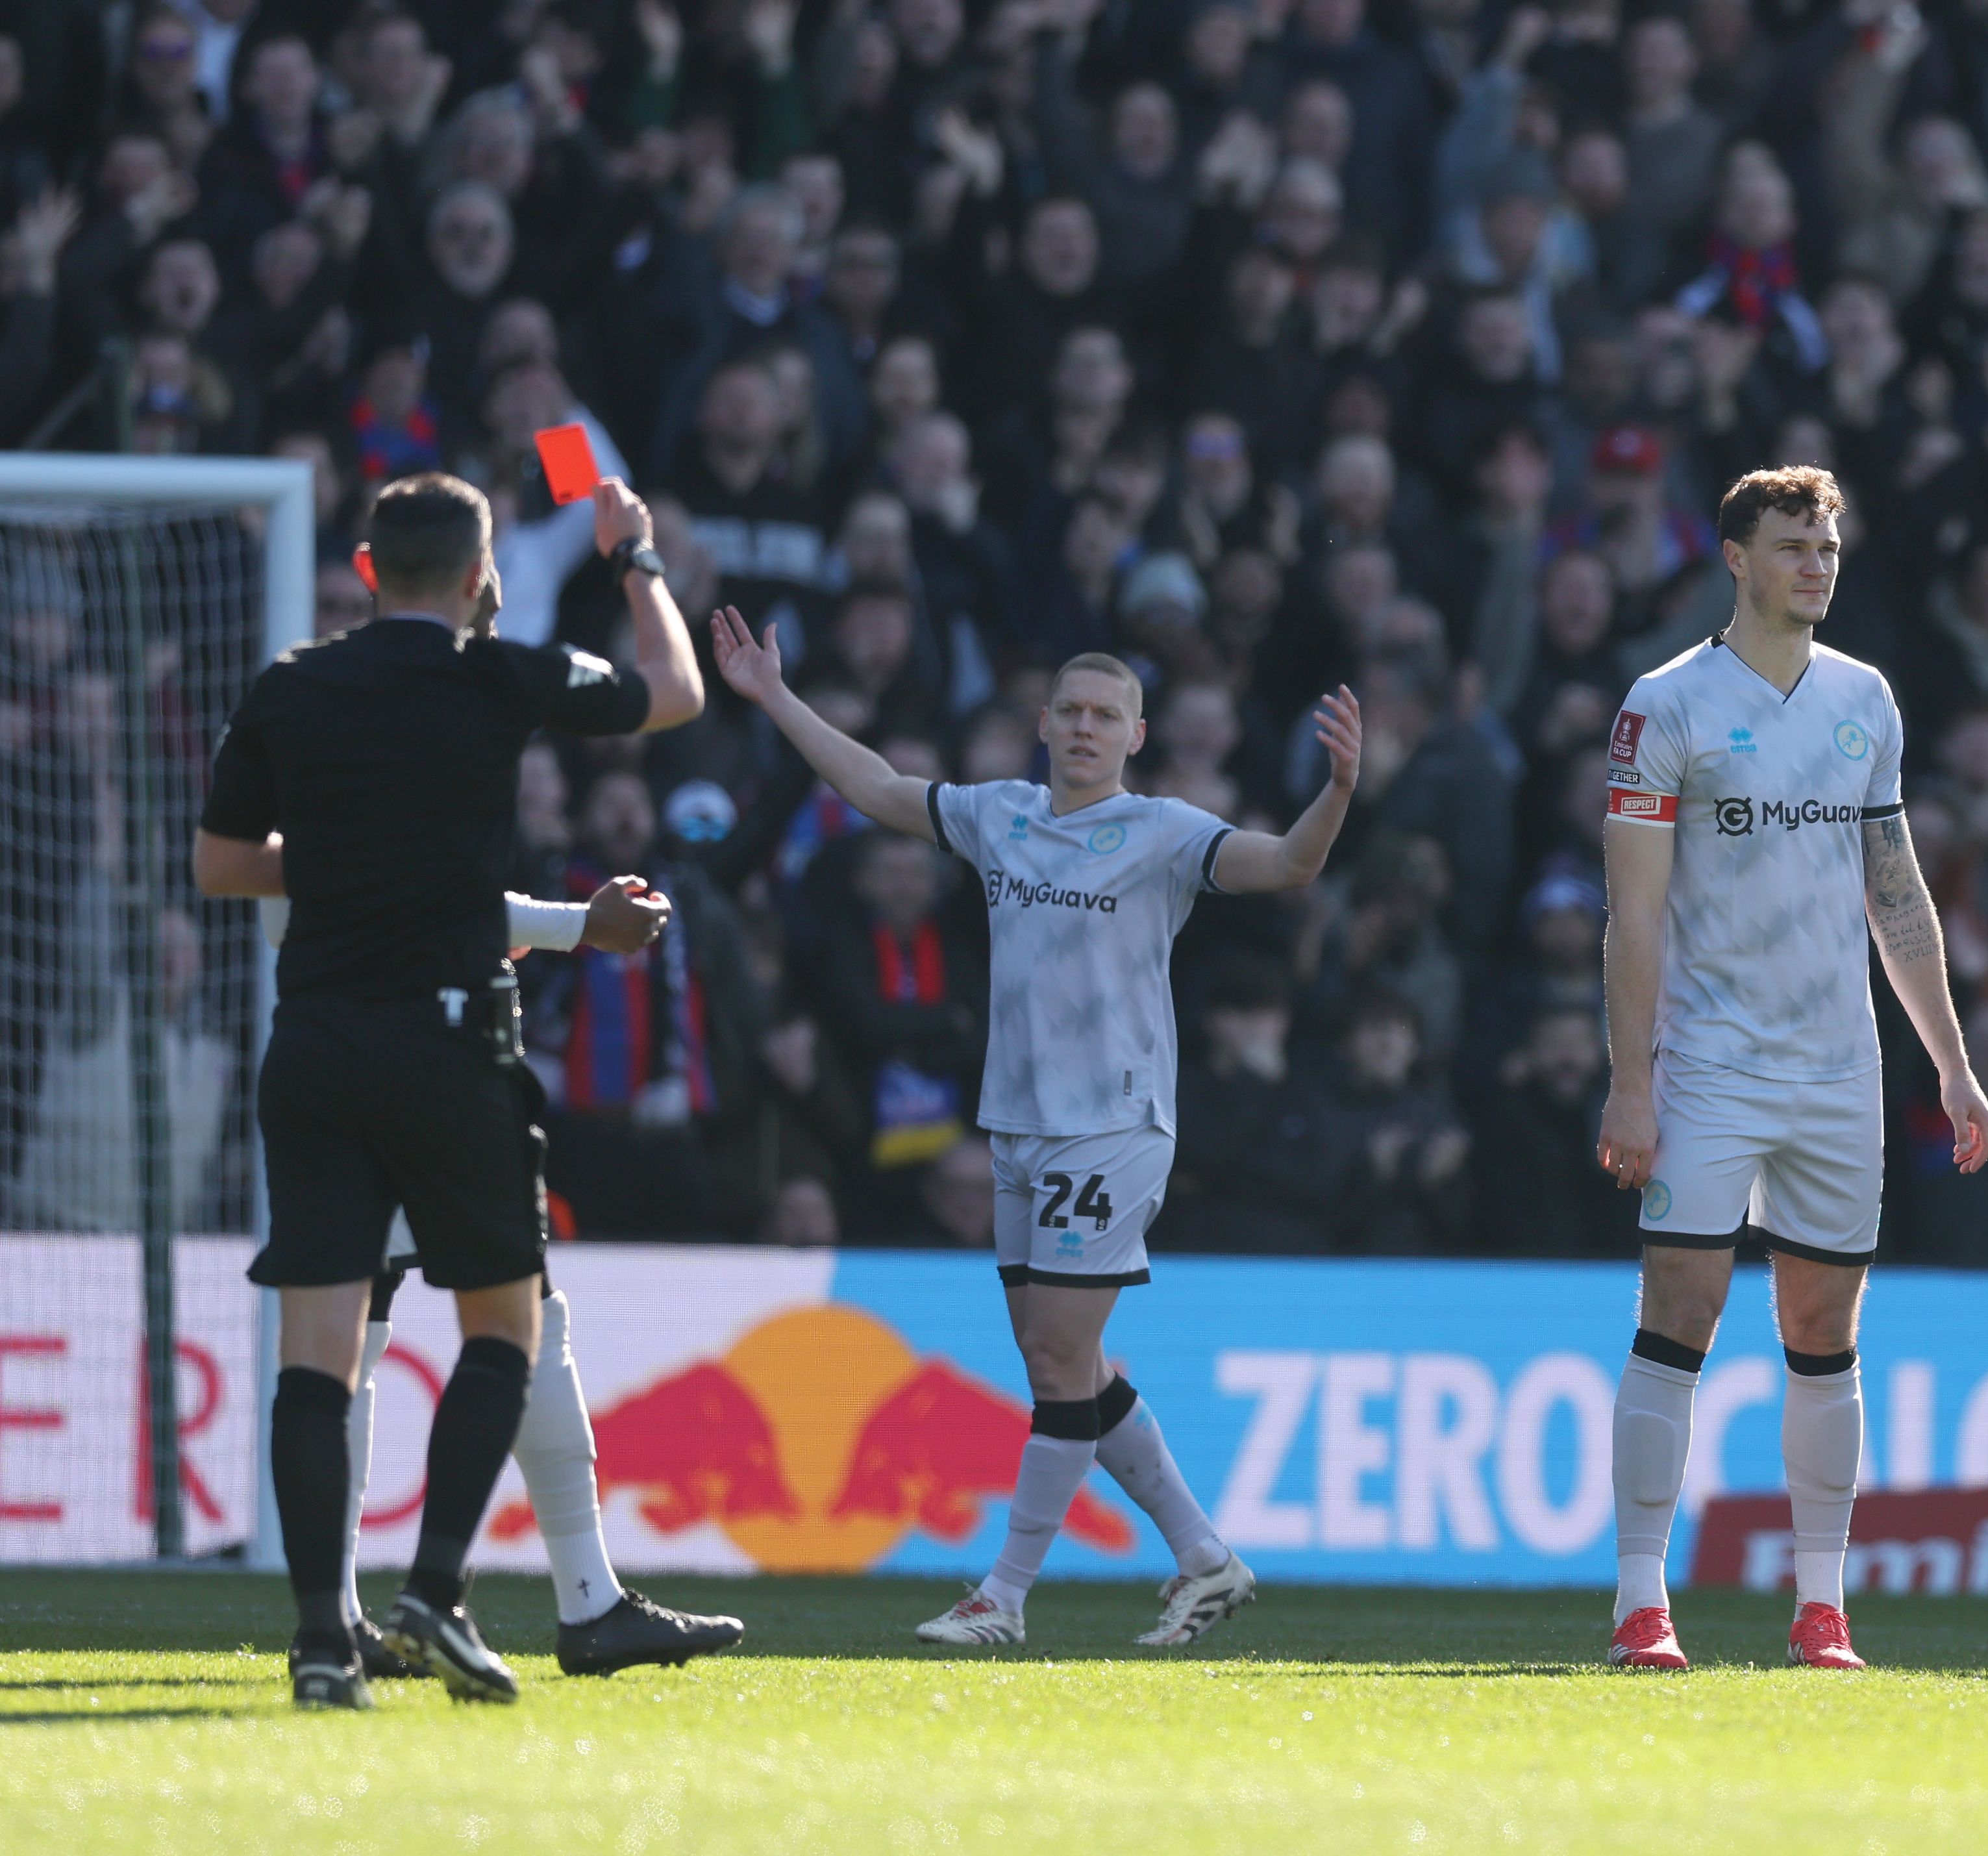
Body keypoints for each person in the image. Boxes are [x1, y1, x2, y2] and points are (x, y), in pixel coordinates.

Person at [712, 614, 1365, 1649]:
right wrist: (778, 699)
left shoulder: (1165, 833)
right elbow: (879, 789)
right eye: (1070, 711)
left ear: (1136, 736)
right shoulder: (998, 815)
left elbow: (1285, 866)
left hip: (1111, 1123)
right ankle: (1205, 1557)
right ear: (1042, 722)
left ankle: (1003, 1596)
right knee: (1062, 1360)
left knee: (1061, 1361)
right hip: (1017, 1124)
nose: (1085, 728)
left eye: (1107, 715)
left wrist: (1333, 792)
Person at [193, 473, 705, 1708]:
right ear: (480, 579)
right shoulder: (500, 673)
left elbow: (218, 867)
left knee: (317, 1359)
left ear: (366, 571)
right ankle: (436, 1587)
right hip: (448, 1045)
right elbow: (676, 693)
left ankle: (327, 1640)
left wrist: (345, 866)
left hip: (312, 1047)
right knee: (508, 1324)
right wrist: (634, 557)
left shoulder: (289, 683)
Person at [1591, 466, 1988, 1672]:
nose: (1816, 563)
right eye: (1792, 544)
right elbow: (1633, 913)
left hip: (1838, 1069)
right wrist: (1631, 1076)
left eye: (1827, 545)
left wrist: (1952, 1065)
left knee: (1824, 1324)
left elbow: (1897, 893)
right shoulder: (1666, 705)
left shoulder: (1865, 698)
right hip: (1711, 1061)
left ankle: (1822, 1606)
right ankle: (1639, 1599)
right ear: (1735, 556)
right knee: (1683, 1312)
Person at [264, 870, 750, 1681]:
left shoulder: (299, 753)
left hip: (359, 1056)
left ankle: (339, 1619)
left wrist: (489, 930)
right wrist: (574, 924)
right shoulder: (378, 752)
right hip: (428, 1065)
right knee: (509, 1320)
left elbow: (311, 890)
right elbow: (384, 893)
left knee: (358, 1332)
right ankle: (578, 1602)